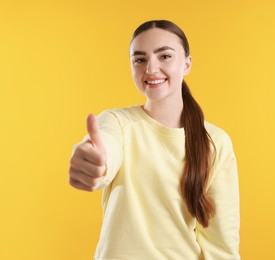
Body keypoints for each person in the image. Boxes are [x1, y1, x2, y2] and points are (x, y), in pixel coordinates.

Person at [68, 20, 240, 260]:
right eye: (140, 59)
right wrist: (96, 162)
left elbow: (221, 246)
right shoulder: (118, 122)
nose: (151, 68)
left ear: (187, 64)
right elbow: (106, 148)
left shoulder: (215, 142)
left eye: (165, 56)